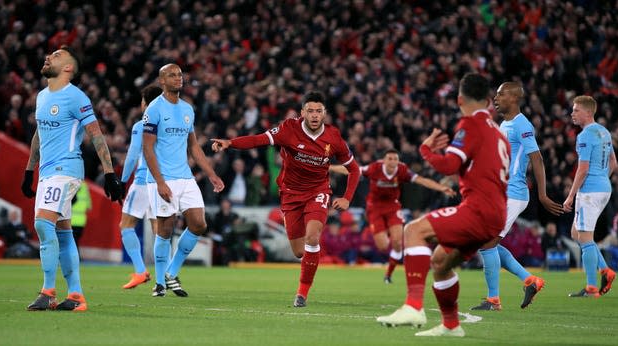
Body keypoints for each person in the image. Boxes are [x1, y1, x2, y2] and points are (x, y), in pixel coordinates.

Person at [376, 73, 509, 337]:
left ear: (460, 99)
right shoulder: (499, 134)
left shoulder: (471, 124)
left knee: (413, 230)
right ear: (488, 101)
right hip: (496, 214)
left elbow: (450, 165)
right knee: (440, 262)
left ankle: (413, 305)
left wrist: (426, 152)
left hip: (478, 209)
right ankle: (451, 325)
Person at [212, 91, 361, 307]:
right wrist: (230, 143)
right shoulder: (288, 129)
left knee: (312, 238)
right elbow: (258, 139)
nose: (314, 115)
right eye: (310, 110)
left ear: (325, 114)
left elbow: (354, 170)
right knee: (299, 251)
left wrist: (347, 198)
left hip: (318, 191)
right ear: (303, 113)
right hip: (290, 194)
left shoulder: (333, 137)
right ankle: (305, 264)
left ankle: (301, 294)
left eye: (319, 111)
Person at [20, 45, 125, 311]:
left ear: (68, 67)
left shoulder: (76, 97)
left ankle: (48, 291)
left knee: (43, 225)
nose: (48, 56)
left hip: (66, 169)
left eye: (56, 55)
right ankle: (76, 296)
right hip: (47, 172)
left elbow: (96, 134)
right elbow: (39, 134)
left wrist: (110, 172)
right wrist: (29, 169)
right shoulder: (42, 96)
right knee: (63, 233)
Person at [470, 81, 563, 311]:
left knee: (487, 242)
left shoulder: (522, 125)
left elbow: (537, 159)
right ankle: (531, 281)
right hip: (501, 191)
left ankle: (493, 300)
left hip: (514, 192)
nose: (496, 98)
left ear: (513, 98)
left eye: (500, 94)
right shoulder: (505, 124)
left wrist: (542, 195)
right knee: (487, 242)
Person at [143, 63, 224, 297]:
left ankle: (171, 273)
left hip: (185, 177)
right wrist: (159, 181)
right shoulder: (154, 109)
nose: (178, 78)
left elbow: (194, 147)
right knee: (165, 229)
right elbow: (147, 148)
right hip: (163, 177)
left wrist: (211, 174)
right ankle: (159, 283)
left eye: (179, 74)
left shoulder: (188, 109)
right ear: (162, 81)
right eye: (172, 75)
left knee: (199, 224)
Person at [330, 149, 455, 283]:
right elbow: (352, 170)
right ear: (384, 160)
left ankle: (388, 275)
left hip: (392, 207)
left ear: (398, 161)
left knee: (397, 241)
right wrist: (330, 167)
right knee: (383, 246)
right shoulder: (374, 168)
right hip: (375, 207)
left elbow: (421, 180)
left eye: (395, 159)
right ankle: (388, 241)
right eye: (389, 159)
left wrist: (441, 188)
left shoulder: (402, 170)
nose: (393, 162)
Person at [563, 95, 617, 298]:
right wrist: (603, 179)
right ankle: (606, 271)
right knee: (576, 233)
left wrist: (570, 196)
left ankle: (591, 287)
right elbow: (613, 162)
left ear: (587, 112)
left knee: (585, 238)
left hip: (590, 191)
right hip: (604, 188)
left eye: (576, 110)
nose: (572, 113)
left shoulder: (585, 136)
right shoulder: (604, 132)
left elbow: (583, 169)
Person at [118, 84, 163, 289]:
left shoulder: (141, 125)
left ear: (147, 103)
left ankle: (140, 271)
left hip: (144, 181)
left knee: (126, 225)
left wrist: (122, 180)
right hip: (163, 182)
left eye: (143, 101)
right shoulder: (167, 124)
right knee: (159, 230)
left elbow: (133, 155)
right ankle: (165, 277)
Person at [71, 180, 91, 246]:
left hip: (69, 220)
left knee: (68, 243)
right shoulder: (84, 186)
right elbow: (89, 206)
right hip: (81, 221)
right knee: (75, 243)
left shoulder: (70, 183)